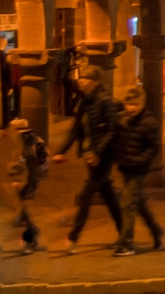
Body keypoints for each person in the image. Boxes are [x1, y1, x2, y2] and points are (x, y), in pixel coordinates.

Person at [51, 69, 122, 253]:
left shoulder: (105, 100)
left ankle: (73, 238)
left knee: (87, 195)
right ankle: (125, 233)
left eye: (86, 78)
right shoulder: (84, 101)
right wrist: (60, 151)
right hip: (90, 155)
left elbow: (113, 130)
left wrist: (98, 152)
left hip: (104, 156)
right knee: (109, 196)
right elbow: (75, 130)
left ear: (96, 81)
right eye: (81, 78)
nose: (81, 81)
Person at [111, 85, 165, 255]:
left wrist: (141, 160)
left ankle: (126, 244)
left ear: (142, 104)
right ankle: (156, 230)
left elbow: (154, 147)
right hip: (126, 167)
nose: (131, 108)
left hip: (138, 170)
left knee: (128, 204)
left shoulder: (149, 123)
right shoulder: (123, 120)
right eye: (129, 104)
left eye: (135, 104)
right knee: (137, 203)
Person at [2, 118, 48, 255]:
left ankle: (31, 239)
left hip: (27, 181)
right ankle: (26, 225)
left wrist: (18, 180)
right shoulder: (34, 140)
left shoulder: (25, 142)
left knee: (26, 211)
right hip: (29, 180)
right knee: (23, 210)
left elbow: (22, 165)